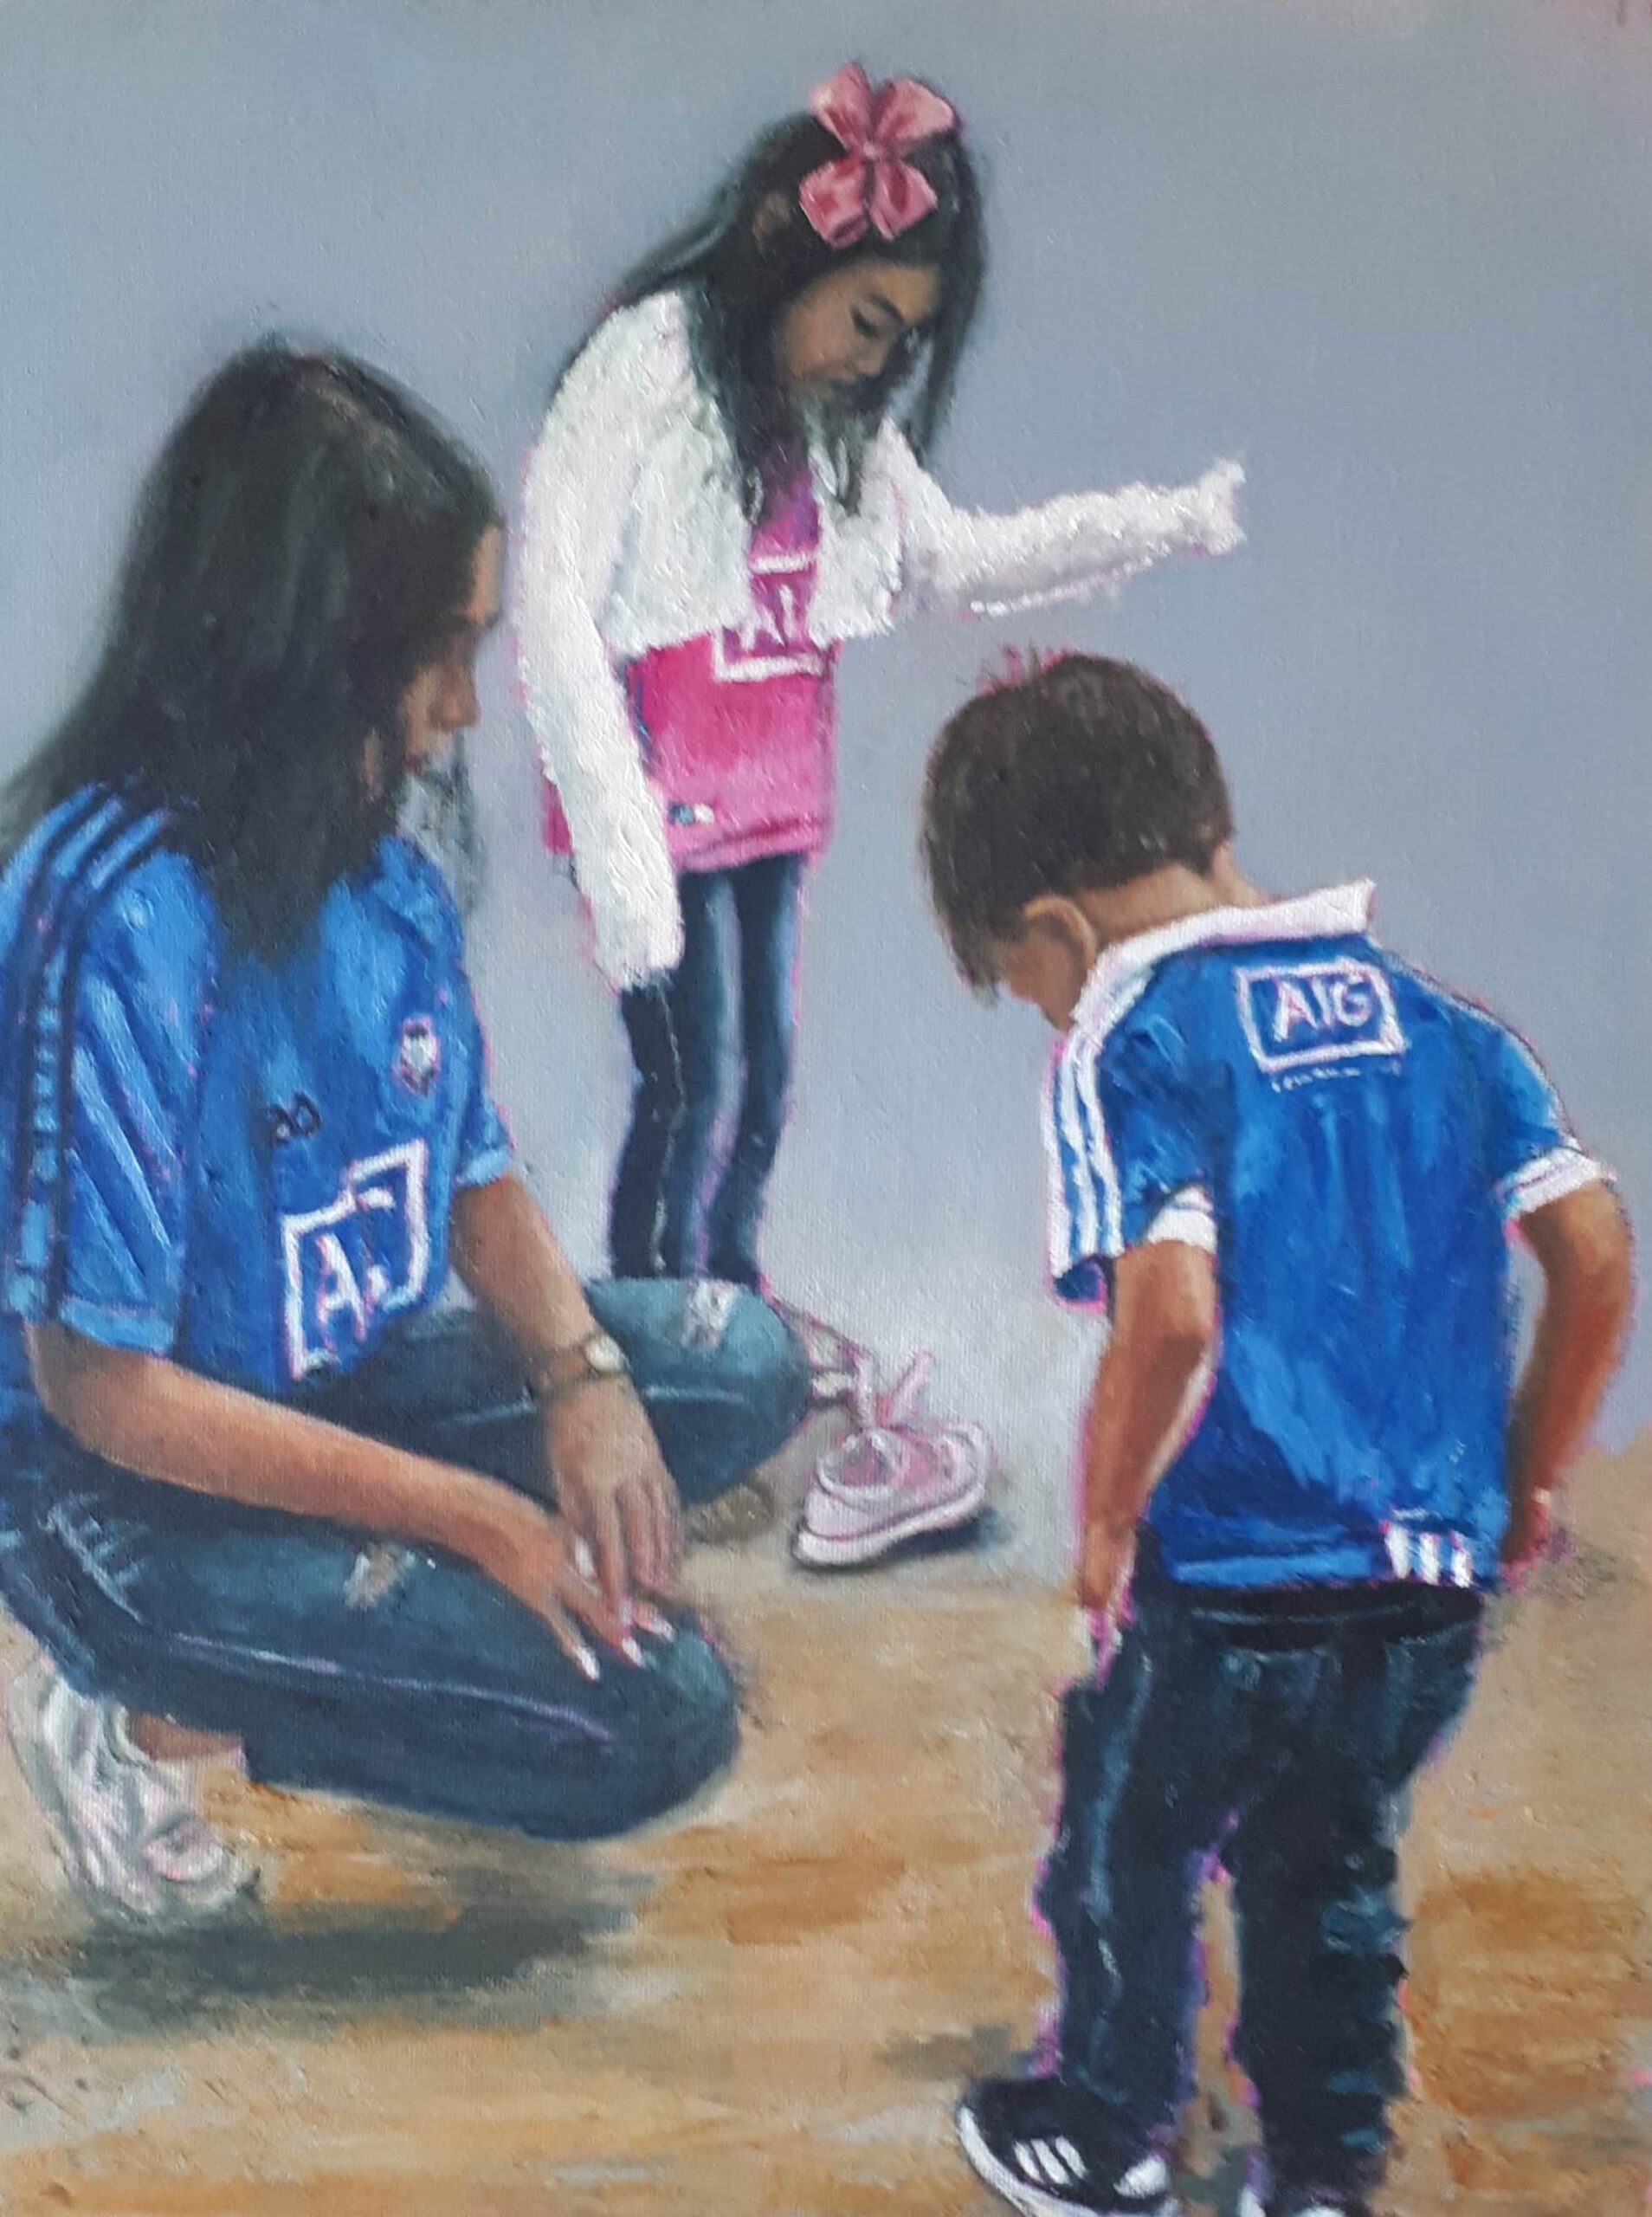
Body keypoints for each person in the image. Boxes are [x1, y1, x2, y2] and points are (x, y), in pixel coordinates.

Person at [0, 346, 813, 1931]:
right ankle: (132, 1712)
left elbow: (470, 1170)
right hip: (114, 1495)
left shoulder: (384, 871)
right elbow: (96, 1389)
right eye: (434, 655)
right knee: (664, 1721)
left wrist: (579, 1385)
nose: (462, 707)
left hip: (330, 1400)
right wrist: (479, 1522)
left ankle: (354, 1630)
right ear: (300, 654)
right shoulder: (109, 911)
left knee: (734, 1365)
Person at [918, 655, 1633, 2217]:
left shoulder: (1139, 1034)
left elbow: (1168, 1316)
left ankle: (1112, 2124)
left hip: (1238, 1570)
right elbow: (1592, 1248)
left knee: (1127, 1830)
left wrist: (1107, 1518)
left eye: (1025, 978)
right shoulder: (1444, 1025)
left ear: (1057, 928)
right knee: (1332, 1869)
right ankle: (1321, 2172)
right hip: (1428, 1583)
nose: (1042, 1007)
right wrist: (1522, 1484)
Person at [514, 61, 1244, 1303]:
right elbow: (554, 599)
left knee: (764, 1078)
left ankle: (728, 1303)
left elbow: (960, 559)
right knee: (693, 1082)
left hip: (768, 809)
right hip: (659, 806)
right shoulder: (649, 367)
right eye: (867, 323)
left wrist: (1168, 521)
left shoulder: (844, 433)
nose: (878, 363)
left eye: (903, 343)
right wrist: (624, 855)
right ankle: (658, 1326)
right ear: (784, 255)